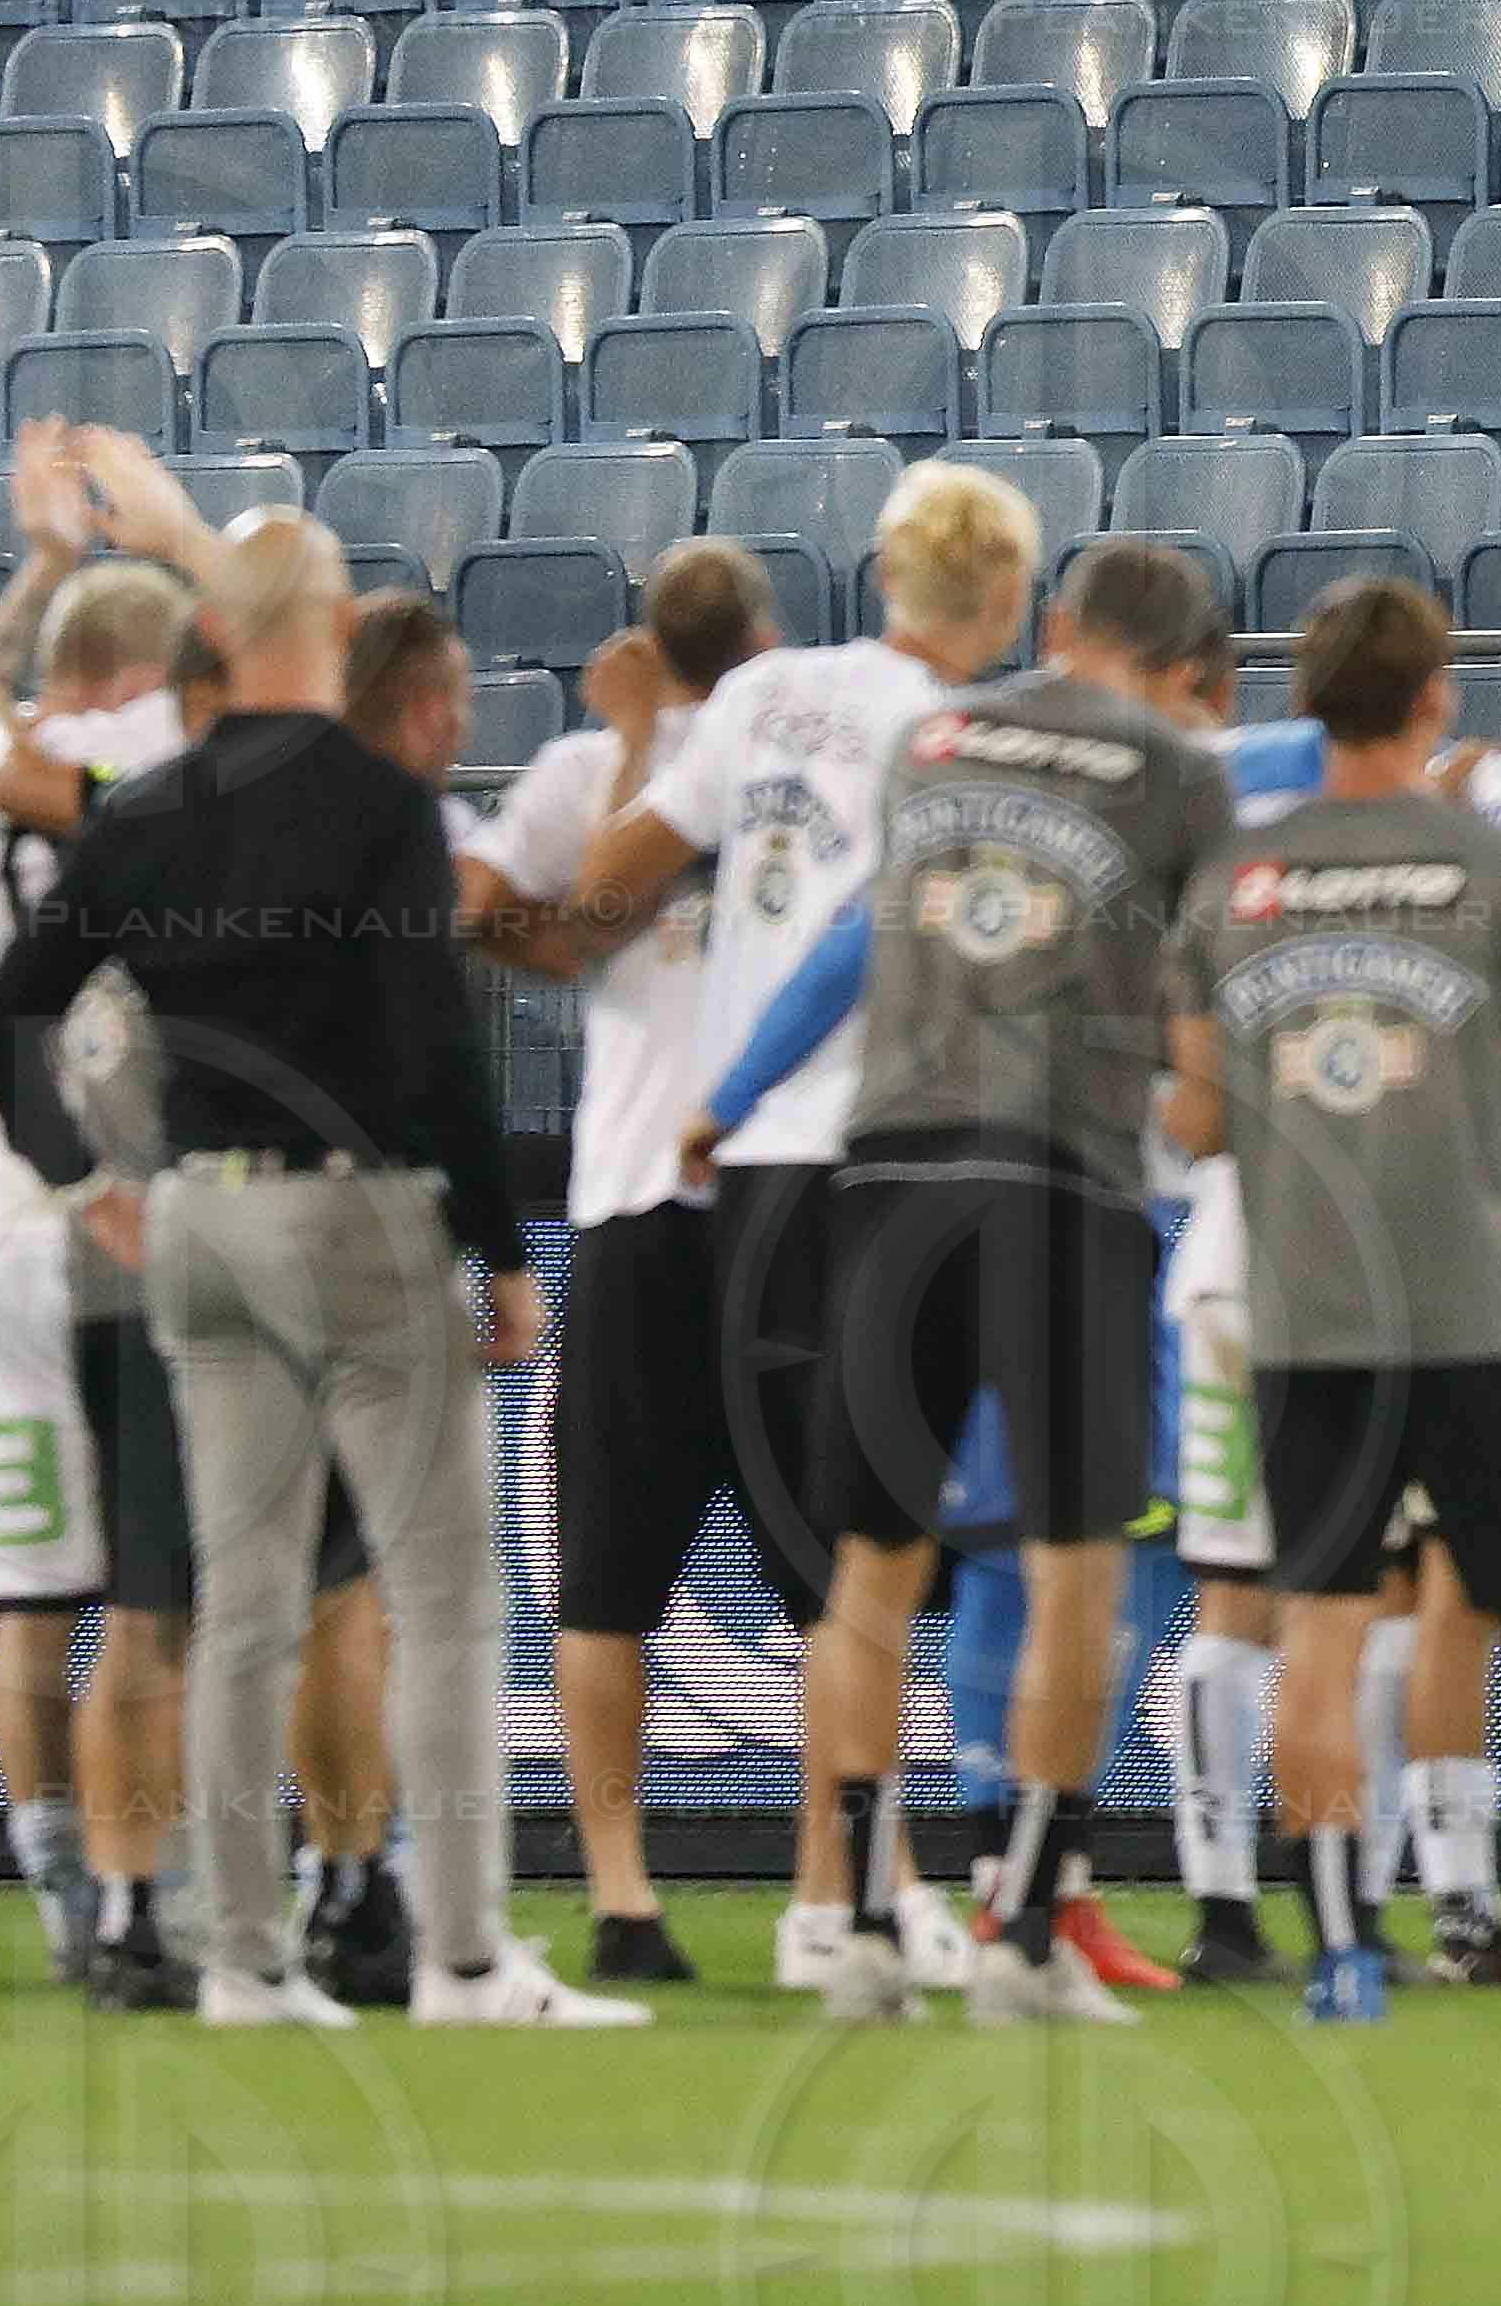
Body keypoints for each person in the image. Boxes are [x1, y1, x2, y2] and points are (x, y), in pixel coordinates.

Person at [0, 513, 627, 2025]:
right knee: (447, 1601)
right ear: (327, 626)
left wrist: (84, 1182)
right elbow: (432, 1037)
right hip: (357, 1216)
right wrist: (501, 1247)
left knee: (241, 1606)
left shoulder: (145, 809)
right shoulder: (377, 805)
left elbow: (8, 1010)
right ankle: (464, 1954)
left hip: (196, 1223)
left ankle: (248, 1965)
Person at [1168, 575, 1501, 2028]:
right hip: (1482, 1300)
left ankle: (1343, 1957)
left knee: (1324, 1624)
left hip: (1308, 1307)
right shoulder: (1494, 869)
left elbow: (1197, 1123)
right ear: (1435, 703)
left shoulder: (1237, 880)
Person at [744, 536, 1237, 2026]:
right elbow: (1191, 1036)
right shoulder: (1176, 770)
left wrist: (735, 1087)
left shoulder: (930, 740)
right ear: (1181, 667)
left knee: (876, 1562)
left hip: (888, 1168)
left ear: (1064, 622)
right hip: (1059, 1176)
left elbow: (875, 936)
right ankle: (1026, 1921)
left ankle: (858, 1919)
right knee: (1078, 1551)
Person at [572, 454, 1037, 1987]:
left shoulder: (769, 698)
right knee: (873, 1548)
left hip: (742, 1174)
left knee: (841, 1550)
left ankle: (841, 1908)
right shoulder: (957, 734)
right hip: (879, 1156)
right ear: (1007, 593)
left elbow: (612, 878)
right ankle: (842, 1893)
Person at [0, 422, 207, 1989]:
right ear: (130, 679)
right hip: (123, 1212)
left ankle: (58, 1883)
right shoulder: (127, 771)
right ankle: (162, 1880)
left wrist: (46, 567)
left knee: (32, 1598)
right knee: (153, 1593)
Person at [453, 540, 781, 1987]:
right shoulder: (617, 772)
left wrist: (571, 941)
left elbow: (522, 919)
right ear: (765, 638)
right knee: (828, 1577)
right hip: (739, 1208)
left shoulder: (658, 768)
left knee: (614, 1587)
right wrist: (572, 942)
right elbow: (500, 917)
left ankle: (623, 1890)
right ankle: (859, 1885)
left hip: (676, 1204)